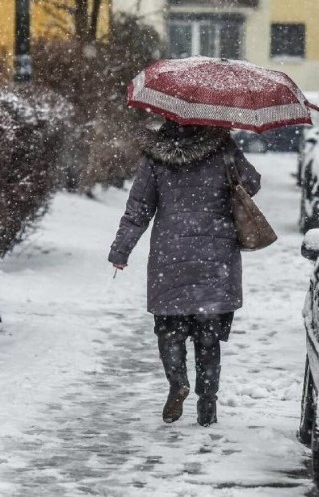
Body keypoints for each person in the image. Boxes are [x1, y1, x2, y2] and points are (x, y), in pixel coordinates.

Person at [108, 120, 261, 427]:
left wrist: (121, 250)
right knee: (208, 338)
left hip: (170, 256)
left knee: (170, 330)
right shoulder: (222, 148)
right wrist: (228, 151)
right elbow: (252, 183)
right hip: (214, 257)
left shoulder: (157, 155)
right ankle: (208, 405)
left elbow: (139, 207)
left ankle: (178, 382)